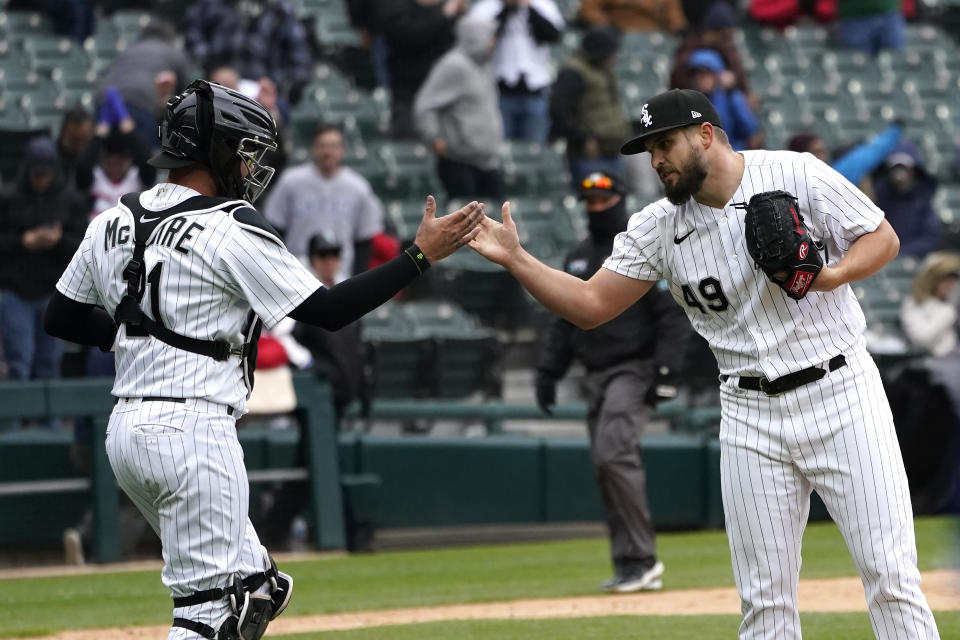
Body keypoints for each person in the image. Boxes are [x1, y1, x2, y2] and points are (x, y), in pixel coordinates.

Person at [468, 88, 940, 639]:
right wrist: (518, 260)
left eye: (664, 143)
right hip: (747, 412)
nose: (656, 160)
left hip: (841, 391)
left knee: (890, 577)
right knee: (764, 602)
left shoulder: (796, 173)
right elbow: (592, 305)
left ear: (706, 134)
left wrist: (828, 275)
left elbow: (882, 238)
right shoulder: (657, 227)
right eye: (648, 151)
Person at [44, 79, 482, 640]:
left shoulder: (112, 219)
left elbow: (60, 317)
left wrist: (142, 334)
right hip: (193, 430)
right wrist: (419, 257)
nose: (251, 165)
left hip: (127, 430)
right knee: (212, 611)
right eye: (245, 151)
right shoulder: (229, 225)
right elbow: (326, 310)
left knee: (258, 587)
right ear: (218, 151)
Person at [535, 170, 690, 592]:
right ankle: (629, 563)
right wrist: (550, 370)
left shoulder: (638, 248)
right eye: (590, 202)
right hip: (596, 372)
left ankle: (642, 559)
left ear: (620, 201)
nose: (597, 208)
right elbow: (564, 319)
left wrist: (665, 371)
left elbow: (671, 316)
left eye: (604, 201)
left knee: (613, 453)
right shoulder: (580, 256)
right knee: (606, 466)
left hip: (634, 368)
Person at [0, 136, 87, 385]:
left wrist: (56, 242)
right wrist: (23, 241)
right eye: (36, 174)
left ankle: (52, 423)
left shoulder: (70, 199)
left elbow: (83, 247)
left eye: (45, 174)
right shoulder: (8, 198)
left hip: (55, 293)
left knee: (49, 365)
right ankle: (17, 423)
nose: (41, 180)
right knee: (19, 364)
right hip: (17, 293)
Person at [263, 124, 385, 278]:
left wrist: (357, 278)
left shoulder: (359, 187)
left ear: (342, 150)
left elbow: (363, 240)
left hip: (341, 275)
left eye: (333, 146)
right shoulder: (291, 181)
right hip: (297, 272)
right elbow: (275, 228)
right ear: (313, 149)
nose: (327, 151)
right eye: (322, 146)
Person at [414, 16, 505, 201]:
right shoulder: (453, 65)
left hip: (487, 161)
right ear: (476, 37)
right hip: (459, 162)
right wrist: (433, 137)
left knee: (495, 222)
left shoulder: (483, 66)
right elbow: (425, 105)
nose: (494, 42)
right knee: (465, 225)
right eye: (490, 36)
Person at [185, 0, 313, 110]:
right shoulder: (211, 4)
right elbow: (193, 38)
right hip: (218, 87)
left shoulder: (280, 9)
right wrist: (213, 67)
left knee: (272, 109)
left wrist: (276, 83)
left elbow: (299, 59)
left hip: (265, 92)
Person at [467, 0, 565, 144]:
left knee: (535, 149)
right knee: (499, 148)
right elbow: (479, 41)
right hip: (498, 92)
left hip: (536, 91)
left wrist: (529, 8)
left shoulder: (543, 5)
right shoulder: (486, 7)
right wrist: (506, 9)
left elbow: (553, 35)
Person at [549, 26, 632, 187]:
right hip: (590, 155)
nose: (614, 57)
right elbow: (558, 111)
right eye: (610, 52)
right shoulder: (573, 71)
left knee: (616, 204)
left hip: (612, 151)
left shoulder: (602, 69)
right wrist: (583, 139)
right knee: (596, 203)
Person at [96, 17, 194, 150]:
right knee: (142, 158)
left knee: (106, 155)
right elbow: (188, 95)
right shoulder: (173, 53)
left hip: (105, 101)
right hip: (140, 102)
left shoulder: (128, 50)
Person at [377, 0, 467, 139]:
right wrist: (444, 14)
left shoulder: (446, 10)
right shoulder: (395, 6)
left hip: (444, 98)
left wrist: (460, 16)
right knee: (410, 149)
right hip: (409, 96)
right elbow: (413, 36)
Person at [683, 49, 763, 150]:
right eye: (696, 74)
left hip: (733, 154)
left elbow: (753, 133)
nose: (700, 78)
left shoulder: (731, 97)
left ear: (717, 75)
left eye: (705, 73)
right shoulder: (690, 103)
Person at [873, 142, 942, 259]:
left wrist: (902, 252)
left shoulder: (923, 200)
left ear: (913, 170)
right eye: (896, 167)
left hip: (912, 260)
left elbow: (930, 237)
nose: (899, 173)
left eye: (904, 167)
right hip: (882, 259)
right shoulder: (878, 198)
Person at [901, 251, 960, 357]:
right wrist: (948, 312)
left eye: (952, 280)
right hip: (930, 360)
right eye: (945, 280)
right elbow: (922, 339)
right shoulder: (915, 302)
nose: (950, 285)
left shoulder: (952, 301)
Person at [578, 0, 686, 33]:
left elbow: (676, 22)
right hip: (617, 33)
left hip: (652, 39)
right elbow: (588, 10)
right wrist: (605, 24)